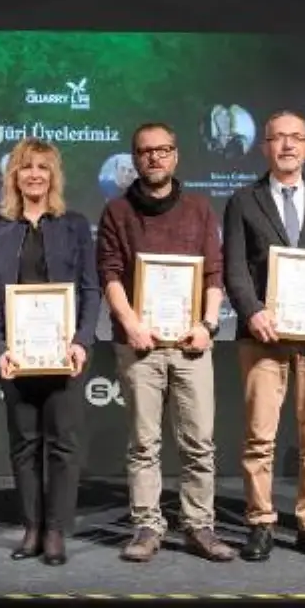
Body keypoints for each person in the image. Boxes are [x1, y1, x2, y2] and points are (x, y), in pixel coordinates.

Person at [221, 111, 305, 563]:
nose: (286, 146)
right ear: (264, 147)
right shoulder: (244, 200)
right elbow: (235, 268)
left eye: (295, 138)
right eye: (278, 138)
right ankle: (260, 523)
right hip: (262, 336)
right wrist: (253, 311)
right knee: (260, 437)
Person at [96, 122, 236, 563]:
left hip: (192, 342)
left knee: (199, 442)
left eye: (163, 150)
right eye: (144, 151)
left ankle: (199, 525)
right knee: (144, 442)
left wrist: (209, 325)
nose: (154, 158)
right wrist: (131, 322)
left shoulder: (199, 209)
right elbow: (110, 274)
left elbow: (215, 272)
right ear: (134, 158)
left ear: (175, 155)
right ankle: (147, 525)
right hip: (139, 343)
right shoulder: (117, 211)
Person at [0, 138, 100, 566]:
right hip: (17, 358)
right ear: (14, 175)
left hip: (64, 356)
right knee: (24, 444)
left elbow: (90, 287)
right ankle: (31, 527)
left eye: (43, 168)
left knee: (63, 445)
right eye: (26, 167)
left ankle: (55, 530)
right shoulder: (0, 232)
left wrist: (82, 341)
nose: (35, 174)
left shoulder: (74, 225)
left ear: (54, 176)